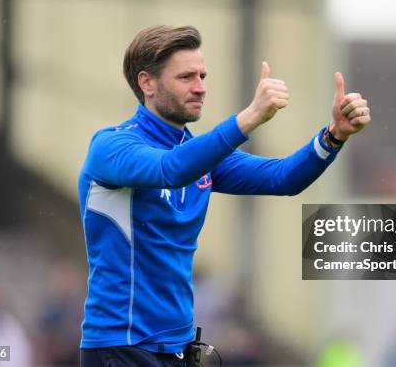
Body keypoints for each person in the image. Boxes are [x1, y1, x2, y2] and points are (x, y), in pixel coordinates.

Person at [78, 25, 371, 367]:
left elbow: (282, 178)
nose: (201, 87)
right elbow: (170, 170)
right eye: (186, 77)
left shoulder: (198, 153)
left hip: (179, 349)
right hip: (121, 346)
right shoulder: (111, 146)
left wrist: (333, 136)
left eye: (202, 75)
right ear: (147, 83)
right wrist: (246, 120)